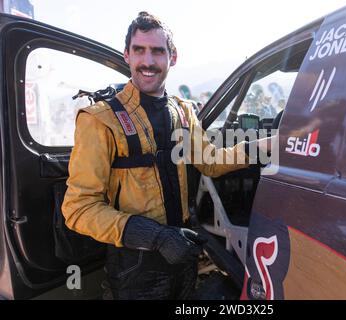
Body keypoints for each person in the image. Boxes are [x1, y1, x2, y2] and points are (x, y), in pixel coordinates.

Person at [62, 11, 269, 300]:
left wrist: (269, 144)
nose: (148, 62)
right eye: (139, 50)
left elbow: (210, 162)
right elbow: (78, 210)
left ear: (172, 57)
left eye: (158, 51)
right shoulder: (101, 119)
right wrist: (155, 236)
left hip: (182, 255)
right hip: (135, 267)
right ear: (127, 55)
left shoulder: (183, 111)